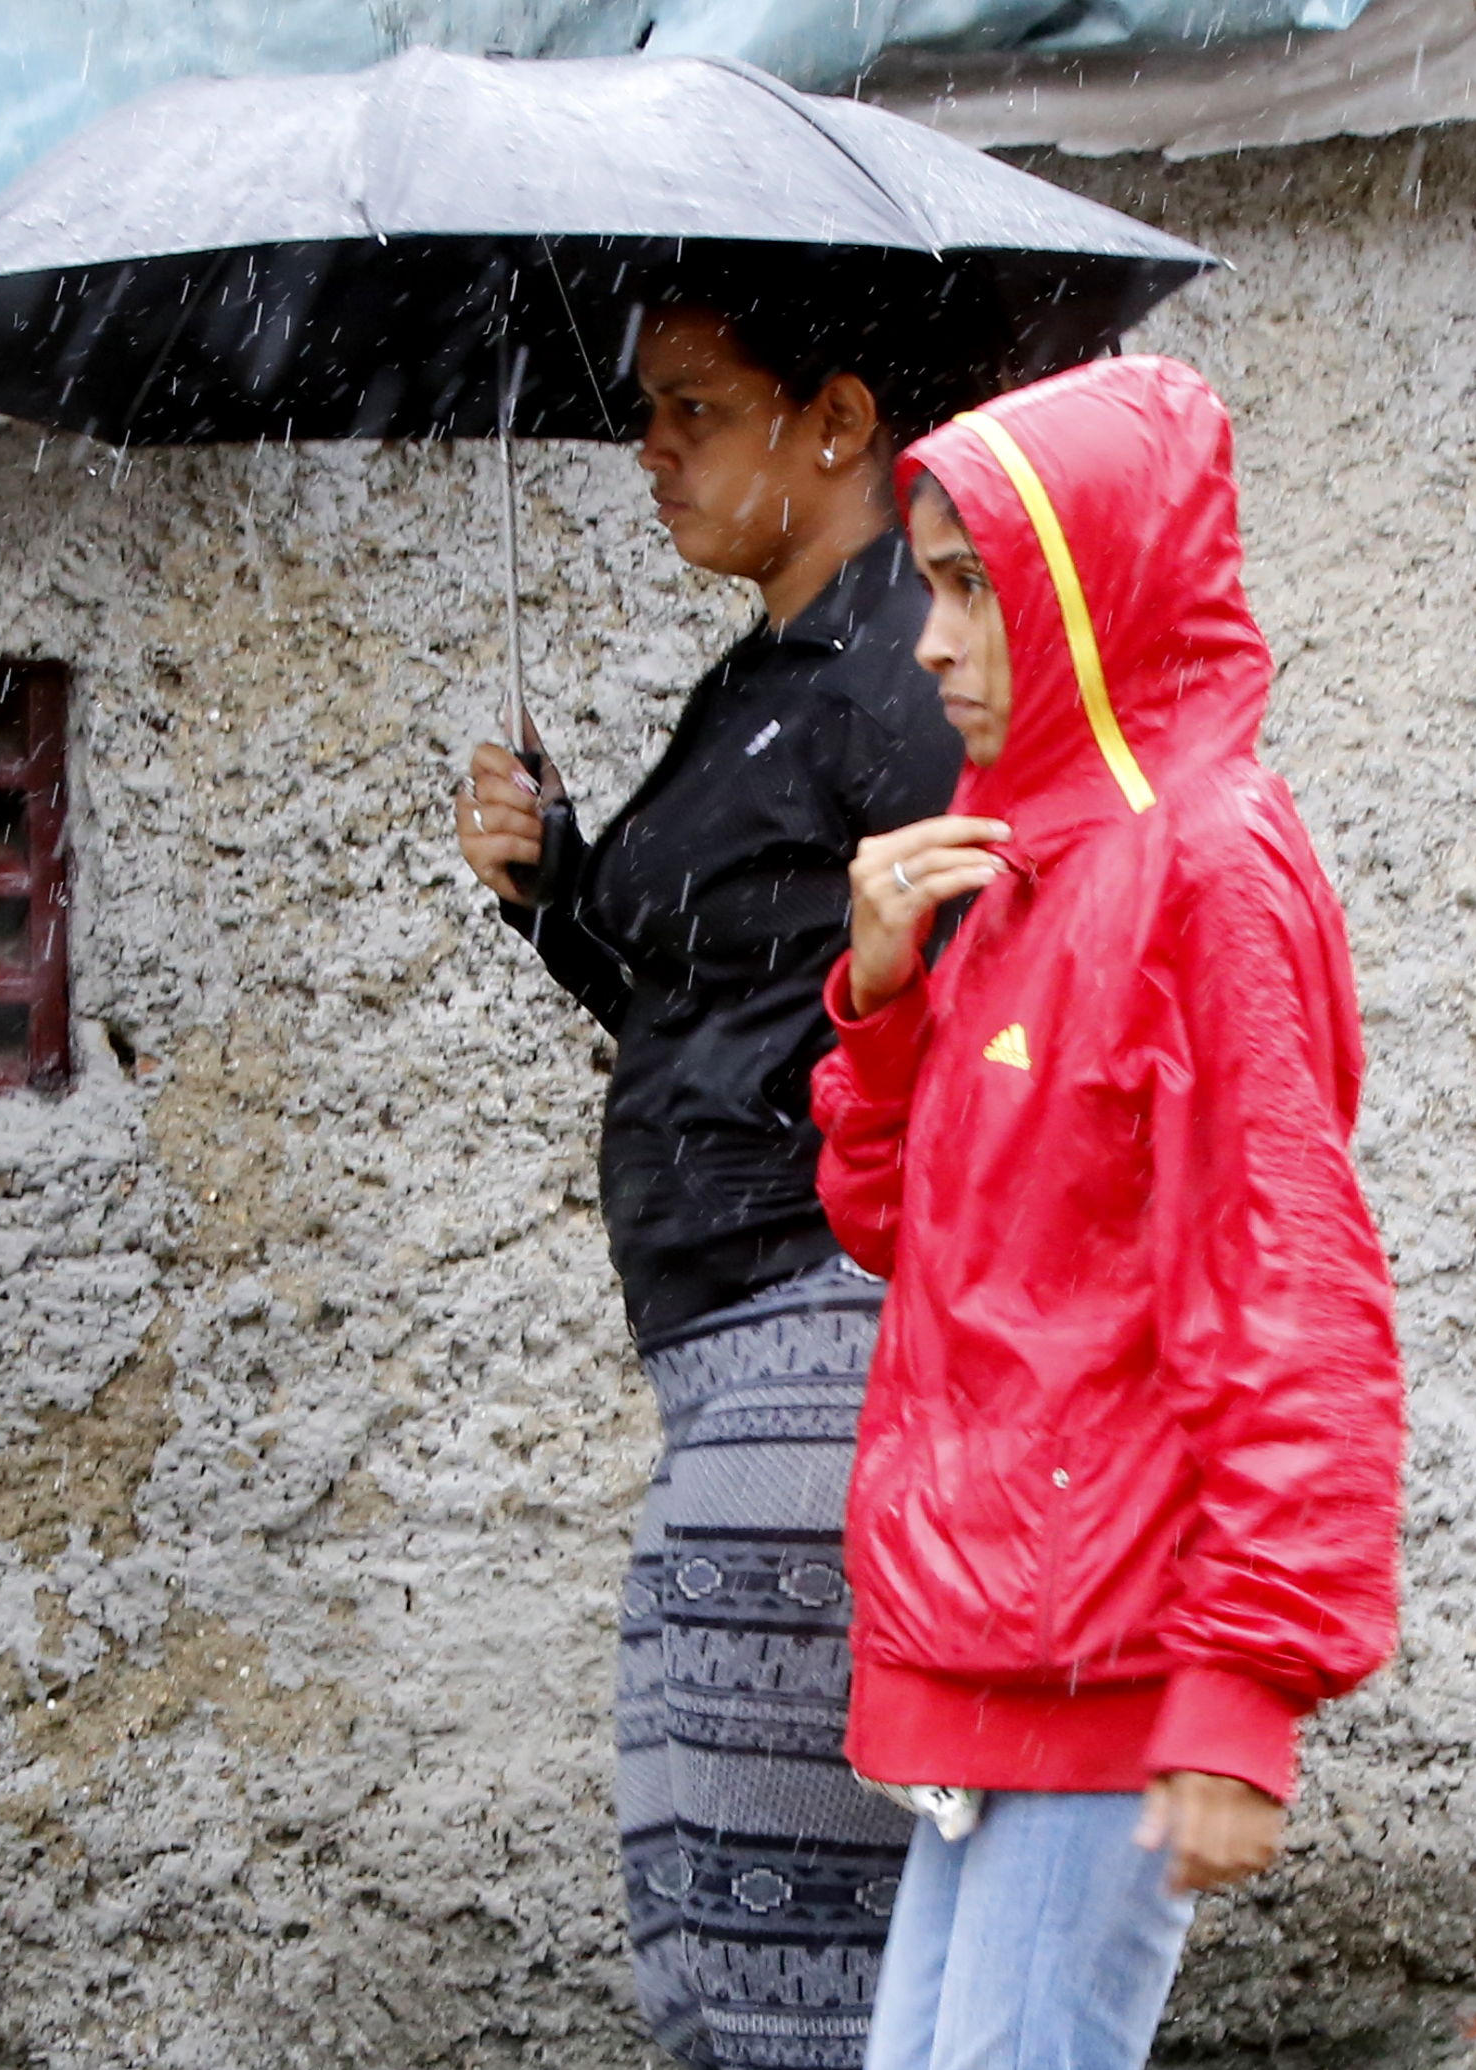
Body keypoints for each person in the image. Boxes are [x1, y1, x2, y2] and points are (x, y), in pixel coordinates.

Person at [808, 355, 1407, 2070]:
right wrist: (884, 992)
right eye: (928, 585)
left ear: (1092, 589)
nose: (930, 642)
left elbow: (1289, 1284)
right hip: (996, 1664)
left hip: (1112, 1670)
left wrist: (1242, 1689)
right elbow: (905, 1240)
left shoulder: (1209, 866)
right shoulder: (1016, 863)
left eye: (972, 586)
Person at [454, 294, 979, 2070]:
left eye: (692, 407)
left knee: (792, 1928)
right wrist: (554, 882)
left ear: (837, 418)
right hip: (726, 1354)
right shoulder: (768, 674)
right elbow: (701, 991)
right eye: (642, 409)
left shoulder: (902, 673)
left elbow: (960, 1004)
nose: (650, 449)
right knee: (700, 1910)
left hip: (820, 1326)